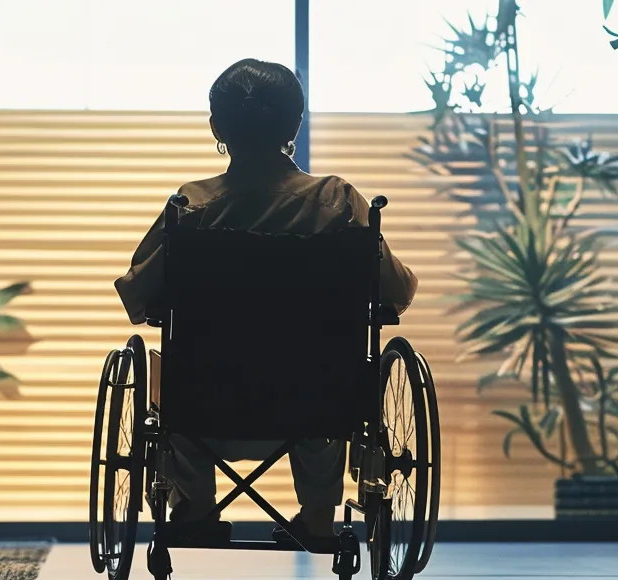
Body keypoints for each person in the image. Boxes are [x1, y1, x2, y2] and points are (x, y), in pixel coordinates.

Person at [114, 58, 418, 546]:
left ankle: (192, 510)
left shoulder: (190, 207)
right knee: (331, 366)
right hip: (317, 404)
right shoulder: (337, 201)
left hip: (206, 403)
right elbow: (397, 293)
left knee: (172, 373)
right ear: (294, 124)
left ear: (217, 125)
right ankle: (319, 515)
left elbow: (137, 294)